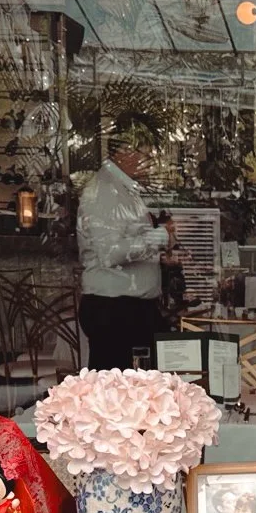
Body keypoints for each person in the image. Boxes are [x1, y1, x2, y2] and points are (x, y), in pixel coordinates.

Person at [77, 145, 173, 369]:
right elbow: (110, 252)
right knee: (117, 396)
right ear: (123, 151)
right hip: (115, 313)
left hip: (129, 310)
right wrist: (161, 236)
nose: (152, 160)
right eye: (146, 152)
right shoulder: (105, 192)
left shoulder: (121, 189)